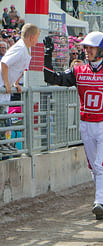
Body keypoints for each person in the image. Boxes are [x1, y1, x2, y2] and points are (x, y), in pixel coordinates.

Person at [43, 31, 103, 220]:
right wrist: (47, 54)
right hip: (86, 125)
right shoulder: (78, 71)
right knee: (93, 167)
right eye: (86, 47)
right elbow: (52, 78)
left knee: (101, 165)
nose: (87, 50)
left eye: (91, 47)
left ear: (101, 50)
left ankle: (98, 202)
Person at [0, 23, 39, 155]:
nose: (37, 41)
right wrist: (6, 83)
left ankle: (5, 144)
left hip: (8, 87)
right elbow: (4, 63)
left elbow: (21, 69)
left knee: (6, 118)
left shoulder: (27, 50)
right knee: (2, 117)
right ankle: (2, 144)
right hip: (2, 85)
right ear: (32, 37)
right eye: (37, 37)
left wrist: (16, 83)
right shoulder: (20, 48)